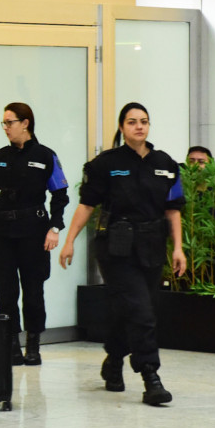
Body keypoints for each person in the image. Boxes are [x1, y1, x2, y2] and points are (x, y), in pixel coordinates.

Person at [59, 102, 187, 406]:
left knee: (129, 311)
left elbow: (173, 210)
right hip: (117, 247)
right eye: (132, 122)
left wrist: (178, 248)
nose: (139, 127)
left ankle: (114, 359)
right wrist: (70, 240)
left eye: (144, 121)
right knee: (141, 313)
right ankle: (150, 377)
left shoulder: (166, 163)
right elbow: (87, 205)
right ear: (122, 127)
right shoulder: (105, 163)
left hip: (152, 245)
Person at [0, 103, 69, 366]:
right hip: (3, 233)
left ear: (25, 123)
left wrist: (55, 227)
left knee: (33, 290)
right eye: (3, 123)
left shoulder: (46, 156)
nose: (6, 128)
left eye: (9, 122)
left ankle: (33, 344)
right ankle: (11, 343)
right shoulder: (0, 156)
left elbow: (60, 195)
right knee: (6, 290)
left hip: (34, 232)